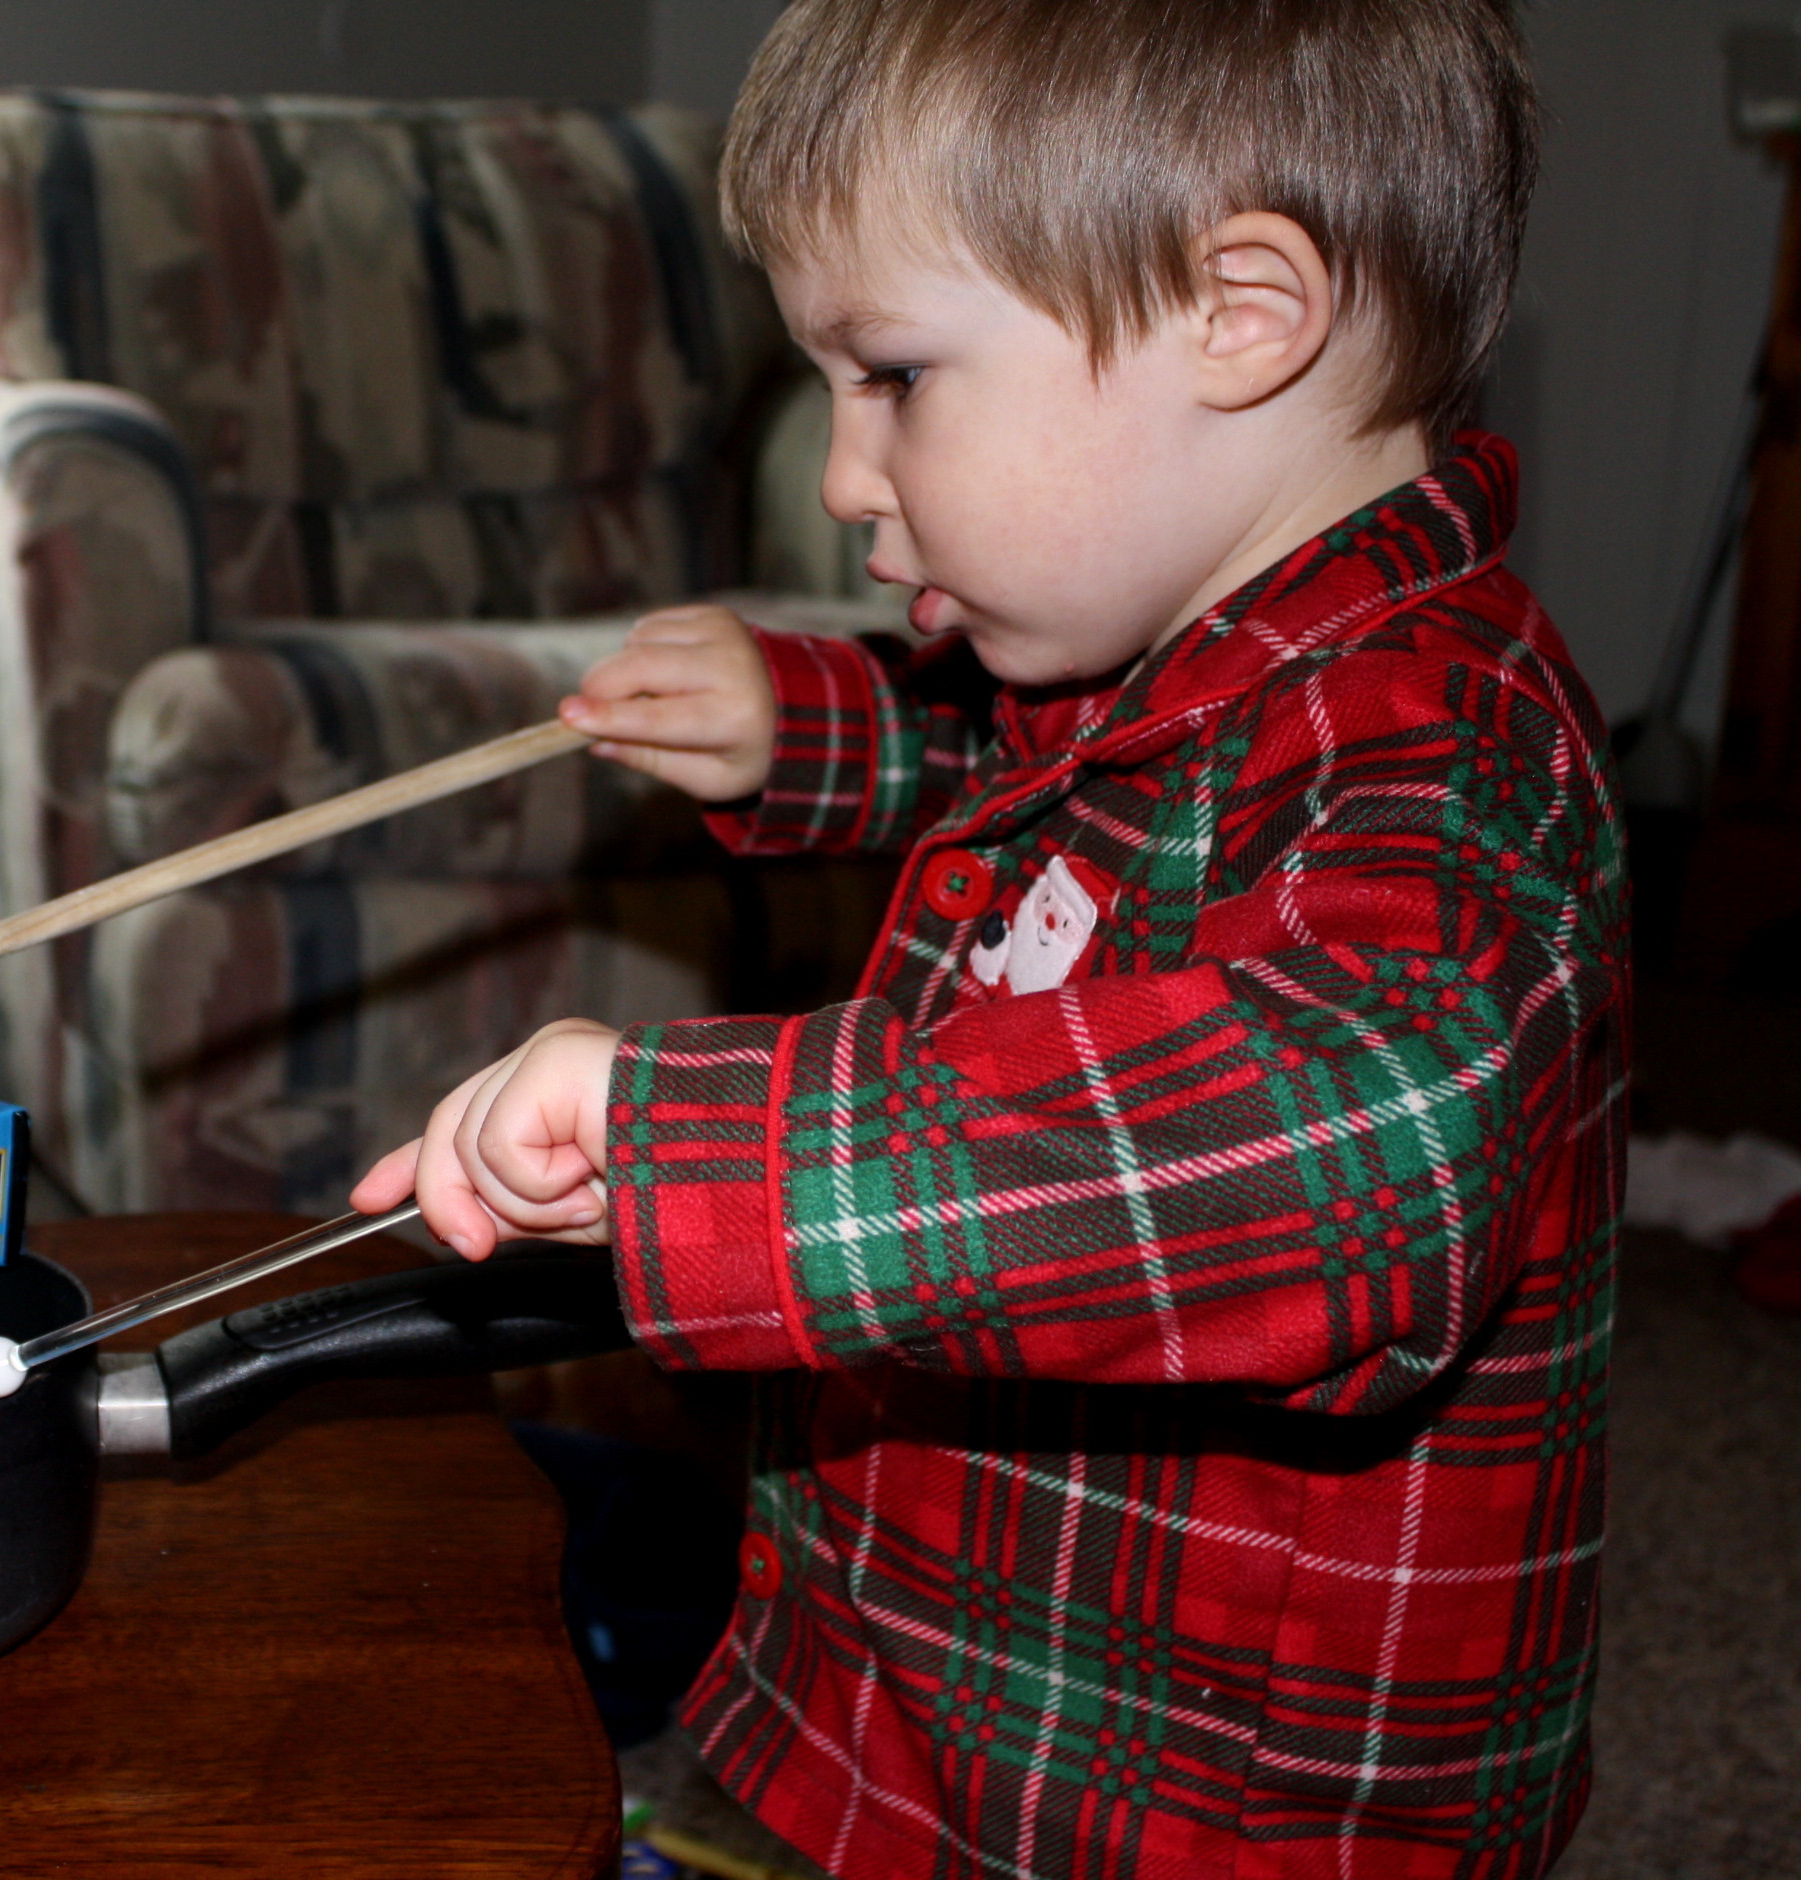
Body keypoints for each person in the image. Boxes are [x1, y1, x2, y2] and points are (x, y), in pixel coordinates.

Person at [351, 2, 1623, 1873]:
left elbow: (1384, 1139)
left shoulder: (1442, 748)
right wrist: (805, 723)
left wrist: (727, 1148)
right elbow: (1039, 772)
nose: (845, 477)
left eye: (897, 378)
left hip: (1211, 1801)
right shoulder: (1176, 645)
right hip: (972, 1664)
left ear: (1241, 312)